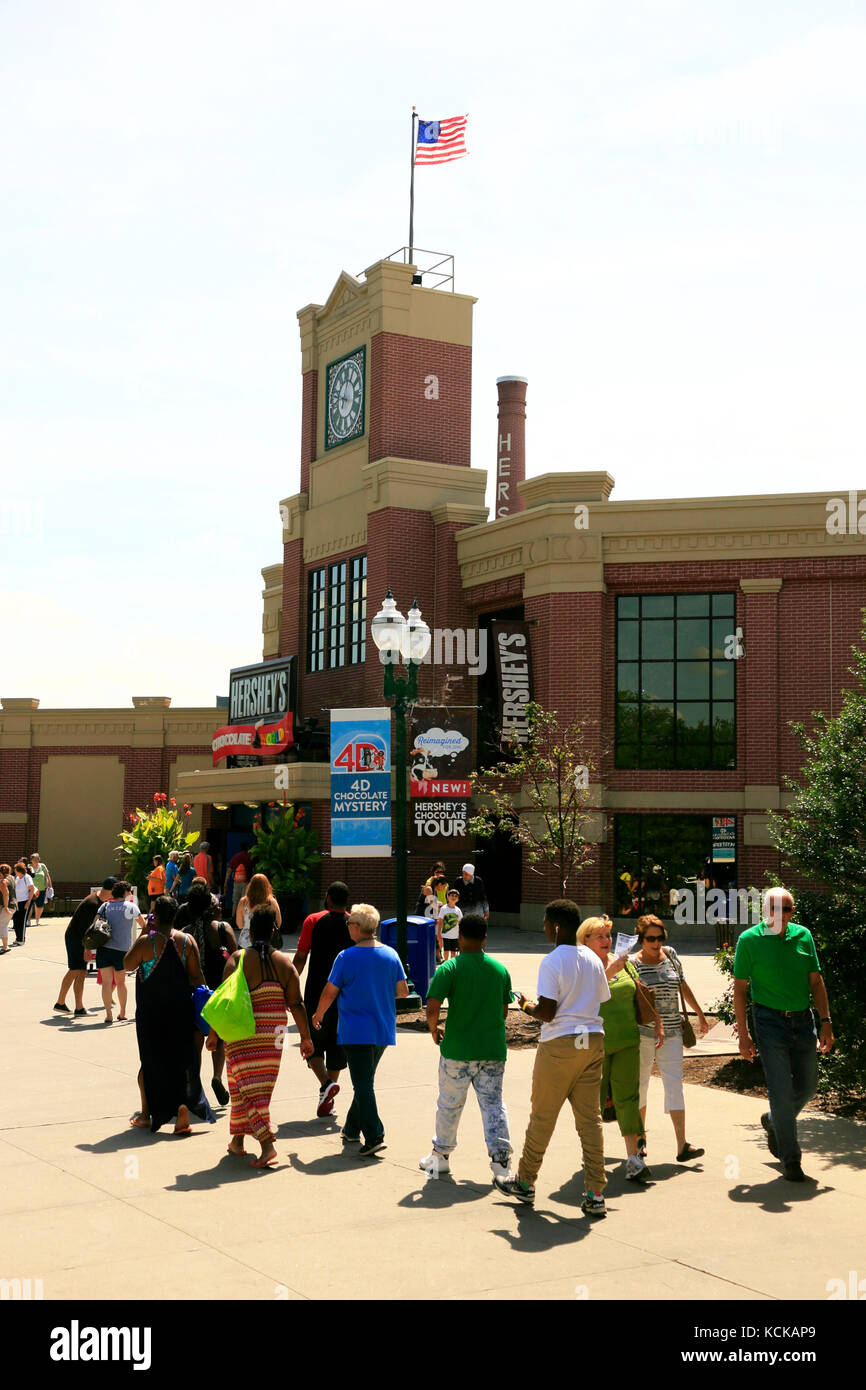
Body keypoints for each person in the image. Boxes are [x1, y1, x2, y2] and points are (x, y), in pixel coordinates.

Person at [494, 899, 610, 1215]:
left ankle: (526, 1183)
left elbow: (547, 1012)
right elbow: (601, 999)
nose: (544, 929)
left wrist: (525, 1005)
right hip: (592, 1041)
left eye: (546, 924)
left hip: (560, 1044)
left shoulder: (552, 961)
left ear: (556, 926)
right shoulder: (593, 959)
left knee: (543, 1116)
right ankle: (596, 1193)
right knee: (590, 1121)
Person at [733, 887, 834, 1182]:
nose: (782, 914)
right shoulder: (748, 940)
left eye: (788, 909)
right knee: (779, 1089)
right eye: (776, 909)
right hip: (768, 1020)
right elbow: (740, 990)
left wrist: (825, 1021)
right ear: (766, 911)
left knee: (809, 1085)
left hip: (803, 1020)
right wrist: (744, 1035)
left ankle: (775, 1119)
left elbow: (816, 981)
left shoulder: (803, 936)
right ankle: (791, 1160)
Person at [208, 902, 313, 1168]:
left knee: (247, 1085)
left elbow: (222, 1001)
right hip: (276, 1034)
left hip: (243, 1031)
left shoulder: (237, 959)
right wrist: (306, 1037)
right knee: (249, 1084)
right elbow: (297, 1004)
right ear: (274, 931)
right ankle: (237, 1142)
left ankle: (267, 1146)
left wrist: (214, 1033)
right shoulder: (284, 964)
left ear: (251, 932)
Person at [419, 913, 513, 1181]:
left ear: (459, 936)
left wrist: (434, 1028)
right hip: (492, 1050)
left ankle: (440, 1157)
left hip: (457, 1050)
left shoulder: (449, 969)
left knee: (449, 1103)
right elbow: (504, 1011)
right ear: (485, 938)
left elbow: (432, 1007)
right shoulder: (499, 970)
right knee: (494, 1105)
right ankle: (501, 1163)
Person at [312, 904, 408, 1157]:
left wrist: (318, 1014)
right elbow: (402, 991)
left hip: (355, 1030)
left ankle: (375, 1134)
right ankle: (352, 1129)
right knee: (365, 1081)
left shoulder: (346, 957)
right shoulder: (391, 955)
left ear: (357, 927)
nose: (347, 926)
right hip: (382, 1028)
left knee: (363, 1083)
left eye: (350, 922)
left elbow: (329, 991)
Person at [579, 915, 663, 1183]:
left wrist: (658, 1023)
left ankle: (634, 1159)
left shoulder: (621, 961)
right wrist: (611, 970)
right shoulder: (581, 966)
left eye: (607, 935)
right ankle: (593, 1155)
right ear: (585, 940)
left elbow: (640, 992)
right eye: (600, 936)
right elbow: (581, 998)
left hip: (628, 1041)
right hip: (596, 1046)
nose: (606, 941)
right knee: (594, 1104)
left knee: (629, 1098)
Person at [123, 895, 214, 1135]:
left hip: (151, 1014)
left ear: (156, 916)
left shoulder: (147, 942)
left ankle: (146, 1114)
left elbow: (128, 964)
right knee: (180, 1060)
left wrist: (145, 932)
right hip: (181, 1011)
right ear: (174, 916)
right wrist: (206, 1008)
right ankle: (182, 1109)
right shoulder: (187, 941)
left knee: (151, 1062)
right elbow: (197, 977)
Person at [630, 915, 709, 1164]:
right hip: (644, 1034)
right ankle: (639, 1143)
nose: (656, 943)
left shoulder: (671, 955)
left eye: (660, 937)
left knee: (675, 1085)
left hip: (674, 1033)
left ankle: (682, 1144)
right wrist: (656, 1024)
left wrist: (700, 1013)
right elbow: (638, 999)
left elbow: (682, 985)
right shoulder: (633, 963)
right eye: (650, 939)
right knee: (641, 1085)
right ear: (641, 939)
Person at [292, 881, 352, 1118]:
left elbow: (300, 956)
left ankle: (326, 1085)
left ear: (327, 898)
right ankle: (327, 1093)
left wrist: (290, 983)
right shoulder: (354, 922)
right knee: (337, 1046)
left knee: (312, 1041)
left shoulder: (313, 920)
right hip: (345, 992)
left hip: (317, 990)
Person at [178, 881, 238, 1107]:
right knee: (219, 1040)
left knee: (196, 1041)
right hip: (219, 994)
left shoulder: (184, 934)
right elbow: (237, 959)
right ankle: (216, 1077)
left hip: (193, 994)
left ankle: (194, 1084)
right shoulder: (223, 929)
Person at [55, 878, 116, 1014]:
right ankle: (60, 1002)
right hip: (76, 938)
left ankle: (79, 1007)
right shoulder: (93, 903)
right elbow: (85, 929)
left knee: (81, 971)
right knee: (75, 970)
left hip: (78, 938)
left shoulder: (99, 899)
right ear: (111, 890)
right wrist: (87, 948)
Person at [94, 880, 146, 1024]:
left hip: (104, 947)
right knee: (121, 982)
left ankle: (108, 1014)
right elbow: (144, 926)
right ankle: (122, 1013)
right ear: (125, 892)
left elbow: (95, 924)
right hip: (122, 949)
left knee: (106, 983)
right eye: (129, 891)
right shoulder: (130, 907)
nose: (130, 894)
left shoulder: (105, 906)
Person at [236, 873, 282, 950]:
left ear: (250, 886)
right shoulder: (271, 902)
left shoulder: (243, 902)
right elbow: (278, 923)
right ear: (267, 886)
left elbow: (240, 925)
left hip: (245, 943)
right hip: (267, 942)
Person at [224, 841, 254, 916]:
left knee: (235, 901)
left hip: (237, 882)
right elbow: (255, 869)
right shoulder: (250, 856)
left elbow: (229, 871)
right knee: (245, 901)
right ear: (248, 847)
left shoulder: (236, 857)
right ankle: (244, 920)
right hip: (247, 882)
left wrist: (225, 884)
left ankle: (233, 917)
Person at [11, 861, 36, 946]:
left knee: (22, 921)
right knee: (16, 921)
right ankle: (17, 938)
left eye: (16, 870)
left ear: (19, 870)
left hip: (25, 902)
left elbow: (32, 889)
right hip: (17, 902)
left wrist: (28, 902)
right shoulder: (17, 878)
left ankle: (21, 940)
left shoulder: (27, 877)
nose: (15, 872)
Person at [436, 888, 462, 960]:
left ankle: (452, 966)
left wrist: (460, 934)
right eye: (452, 895)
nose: (454, 897)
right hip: (446, 935)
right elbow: (440, 921)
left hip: (455, 935)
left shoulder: (458, 910)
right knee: (446, 951)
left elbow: (460, 922)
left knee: (453, 953)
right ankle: (446, 963)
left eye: (456, 896)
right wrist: (438, 933)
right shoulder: (444, 908)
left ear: (458, 899)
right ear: (447, 896)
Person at [28, 852, 53, 925]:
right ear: (31, 860)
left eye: (37, 859)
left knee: (40, 905)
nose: (36, 861)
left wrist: (50, 887)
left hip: (41, 889)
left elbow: (47, 876)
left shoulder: (42, 866)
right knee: (30, 905)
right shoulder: (29, 867)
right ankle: (28, 920)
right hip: (30, 889)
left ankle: (37, 920)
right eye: (34, 859)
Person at [0, 863, 14, 954]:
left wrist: (5, 907)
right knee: (2, 925)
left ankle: (5, 947)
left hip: (7, 906)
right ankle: (5, 947)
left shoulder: (3, 882)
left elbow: (6, 894)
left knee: (2, 926)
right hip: (13, 905)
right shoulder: (12, 878)